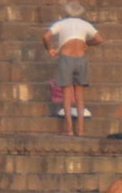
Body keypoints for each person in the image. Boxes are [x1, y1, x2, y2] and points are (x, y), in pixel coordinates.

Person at [43, 9, 101, 138]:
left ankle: (69, 130)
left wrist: (50, 49)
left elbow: (46, 37)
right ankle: (81, 130)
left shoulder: (61, 23)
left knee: (67, 95)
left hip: (66, 58)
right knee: (80, 97)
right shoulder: (85, 24)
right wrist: (87, 43)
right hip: (81, 58)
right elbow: (99, 39)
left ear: (66, 14)